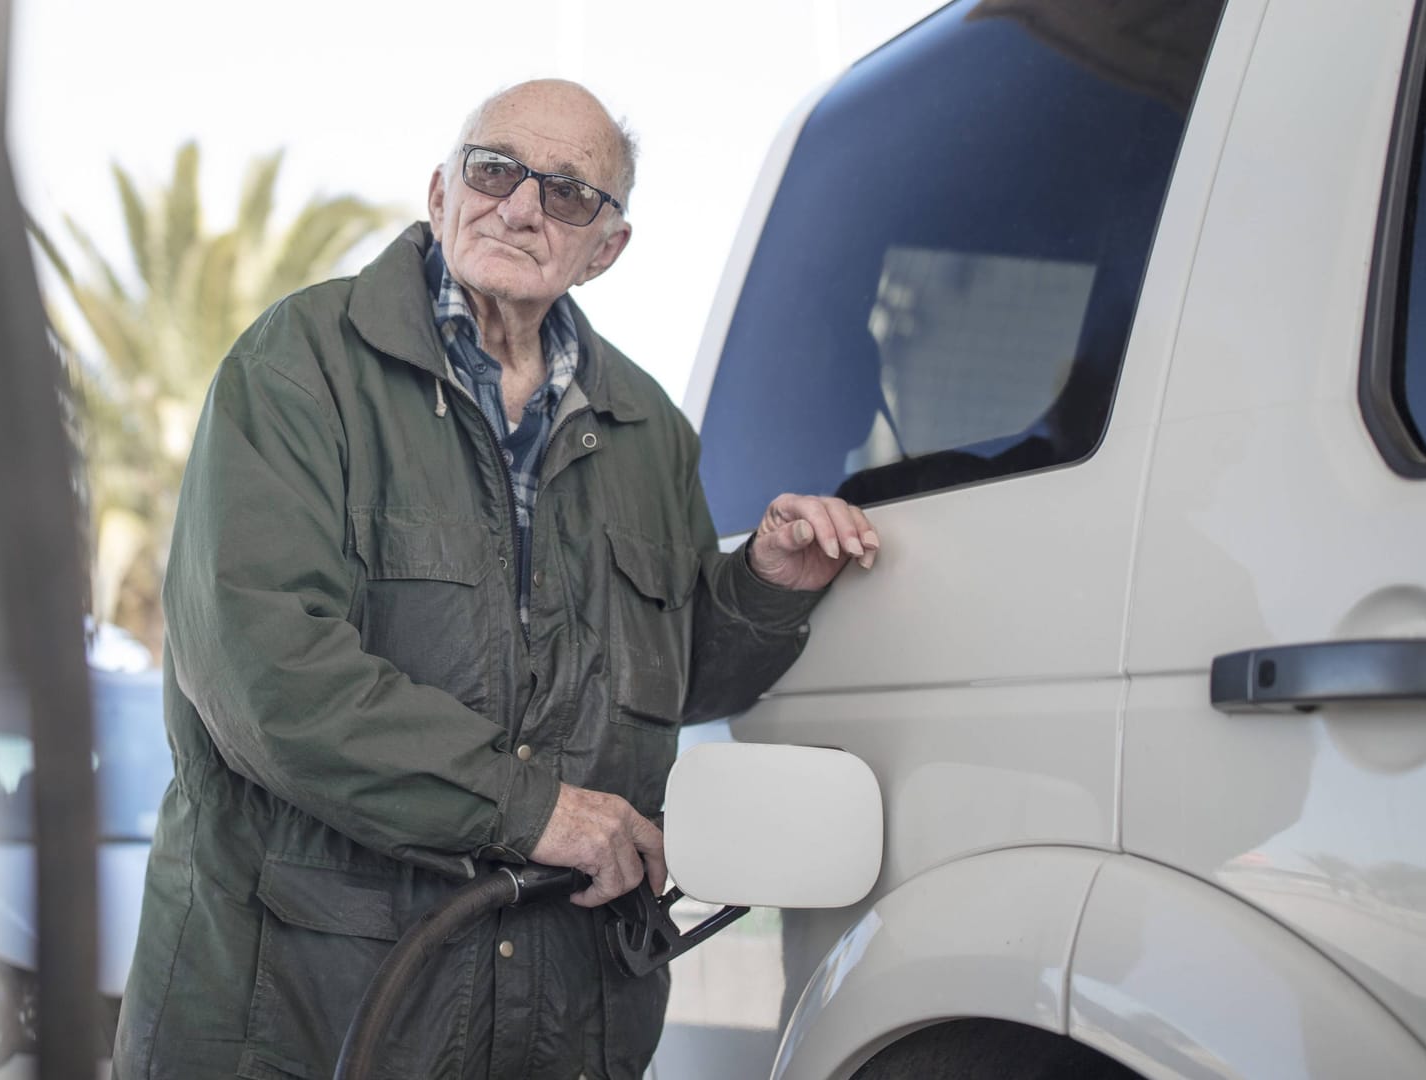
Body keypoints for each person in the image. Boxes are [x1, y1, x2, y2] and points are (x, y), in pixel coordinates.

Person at [113, 79, 880, 1080]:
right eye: (496, 169)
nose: (522, 205)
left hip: (555, 1027)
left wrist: (766, 587)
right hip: (302, 1021)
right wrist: (536, 811)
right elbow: (268, 680)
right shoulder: (298, 369)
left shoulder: (647, 432)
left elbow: (678, 681)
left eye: (569, 193)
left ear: (607, 247)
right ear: (440, 192)